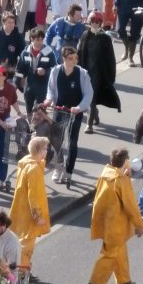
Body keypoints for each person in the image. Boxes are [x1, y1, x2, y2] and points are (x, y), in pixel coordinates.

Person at [86, 148, 143, 284]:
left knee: (120, 252)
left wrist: (125, 174)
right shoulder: (121, 181)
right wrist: (139, 225)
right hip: (116, 224)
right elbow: (131, 205)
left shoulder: (106, 174)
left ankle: (124, 281)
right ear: (125, 162)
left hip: (105, 221)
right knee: (110, 254)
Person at [46, 47, 93, 185]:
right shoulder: (55, 71)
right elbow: (51, 90)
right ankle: (58, 167)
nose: (74, 61)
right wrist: (49, 100)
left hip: (75, 112)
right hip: (60, 109)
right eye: (71, 58)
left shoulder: (82, 74)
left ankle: (68, 172)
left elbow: (89, 94)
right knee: (56, 141)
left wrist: (79, 108)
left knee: (72, 142)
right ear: (64, 59)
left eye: (75, 58)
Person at [9, 136, 51, 274]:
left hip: (20, 209)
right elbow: (33, 196)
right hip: (29, 214)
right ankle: (22, 272)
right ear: (39, 150)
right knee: (27, 245)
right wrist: (38, 216)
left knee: (22, 242)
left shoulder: (26, 162)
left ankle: (22, 269)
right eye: (45, 148)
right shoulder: (34, 170)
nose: (47, 151)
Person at [77, 11, 120, 133]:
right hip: (86, 71)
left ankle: (89, 125)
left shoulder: (105, 38)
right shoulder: (85, 35)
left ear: (101, 23)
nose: (95, 24)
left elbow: (111, 59)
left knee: (92, 96)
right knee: (87, 97)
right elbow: (80, 52)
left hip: (99, 73)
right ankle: (94, 113)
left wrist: (111, 75)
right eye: (93, 21)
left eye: (97, 22)